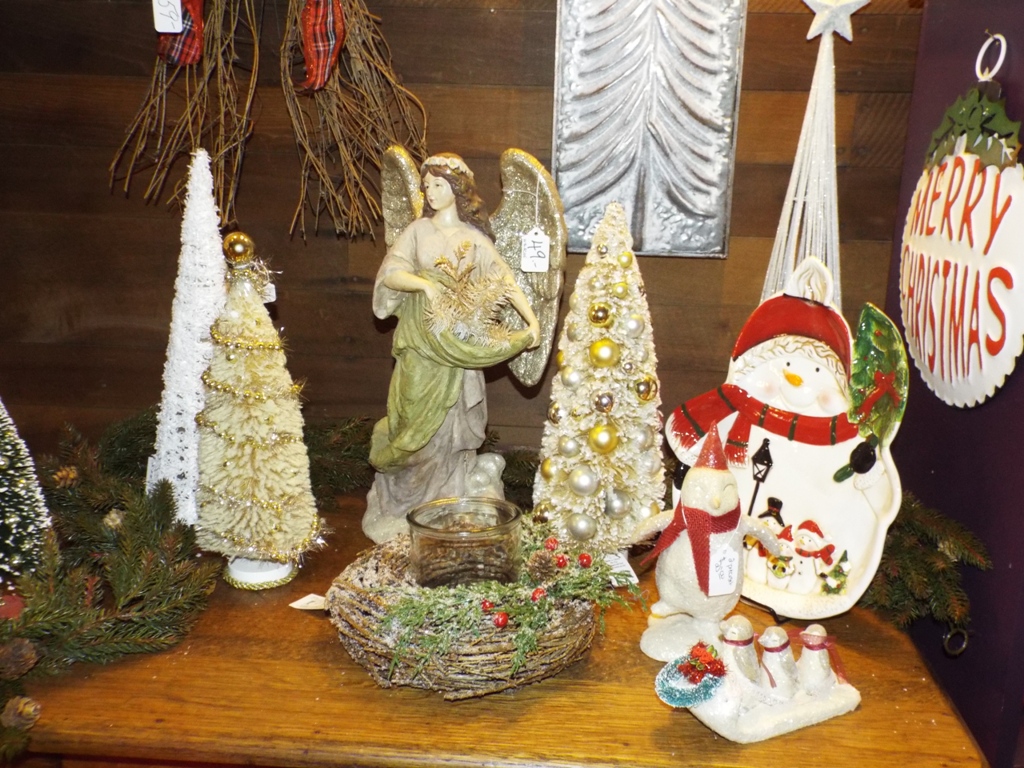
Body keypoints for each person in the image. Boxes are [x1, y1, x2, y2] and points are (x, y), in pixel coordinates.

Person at [362, 153, 541, 543]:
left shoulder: (474, 240)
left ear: (458, 189)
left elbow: (506, 283)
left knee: (453, 428)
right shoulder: (417, 231)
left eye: (439, 184)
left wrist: (532, 322)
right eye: (426, 185)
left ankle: (449, 499)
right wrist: (425, 284)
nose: (430, 191)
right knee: (412, 425)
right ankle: (406, 501)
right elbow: (391, 273)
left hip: (459, 350)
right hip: (419, 346)